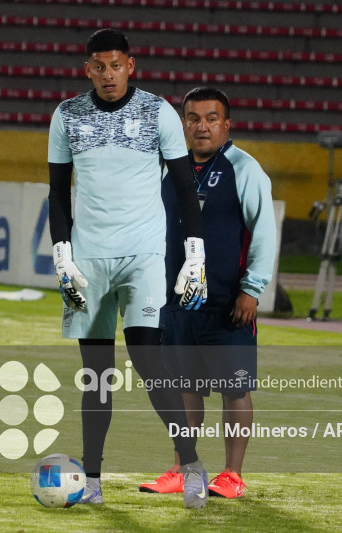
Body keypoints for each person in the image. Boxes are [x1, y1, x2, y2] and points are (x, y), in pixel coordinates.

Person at [48, 28, 210, 509]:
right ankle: (92, 480)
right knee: (96, 375)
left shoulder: (158, 111)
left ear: (130, 66)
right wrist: (62, 256)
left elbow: (185, 188)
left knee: (147, 360)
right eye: (99, 66)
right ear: (87, 69)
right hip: (88, 260)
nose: (108, 74)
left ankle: (190, 463)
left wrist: (195, 255)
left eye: (116, 65)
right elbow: (57, 193)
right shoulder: (66, 115)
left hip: (143, 255)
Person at [139, 87, 276, 498]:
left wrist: (251, 289)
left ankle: (232, 474)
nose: (202, 127)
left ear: (227, 124)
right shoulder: (169, 169)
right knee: (185, 387)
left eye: (212, 118)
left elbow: (264, 232)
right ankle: (184, 468)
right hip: (176, 304)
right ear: (183, 124)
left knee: (235, 388)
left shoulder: (244, 169)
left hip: (228, 304)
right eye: (194, 118)